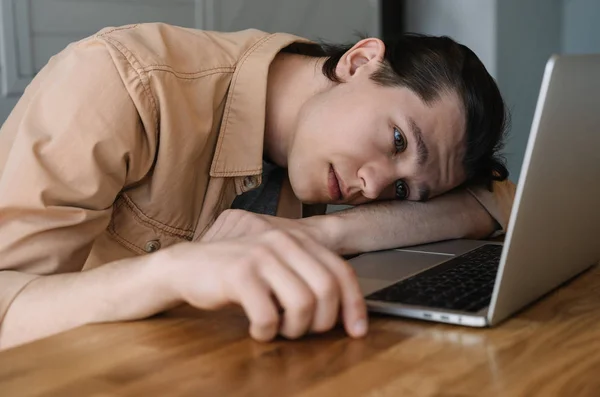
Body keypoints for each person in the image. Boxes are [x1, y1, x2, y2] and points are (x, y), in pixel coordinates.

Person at [0, 23, 515, 349]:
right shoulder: (119, 82)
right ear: (359, 62)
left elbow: (497, 201)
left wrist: (329, 236)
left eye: (403, 192)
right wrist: (171, 271)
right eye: (399, 140)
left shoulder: (317, 141)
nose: (373, 184)